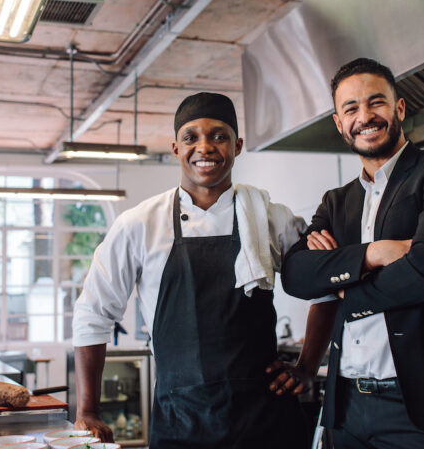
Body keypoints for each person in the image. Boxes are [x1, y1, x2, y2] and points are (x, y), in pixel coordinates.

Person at [72, 92, 309, 448]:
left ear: (238, 145)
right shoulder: (139, 224)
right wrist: (88, 409)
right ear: (175, 148)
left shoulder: (272, 217)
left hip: (264, 419)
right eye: (191, 137)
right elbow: (92, 313)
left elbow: (324, 287)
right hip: (180, 420)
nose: (205, 147)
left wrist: (307, 365)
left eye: (219, 135)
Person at [277, 58, 424, 448]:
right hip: (347, 406)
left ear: (399, 108)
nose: (365, 117)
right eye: (351, 108)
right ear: (339, 123)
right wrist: (372, 255)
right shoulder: (336, 203)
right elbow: (297, 275)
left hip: (419, 410)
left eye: (376, 103)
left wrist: (342, 288)